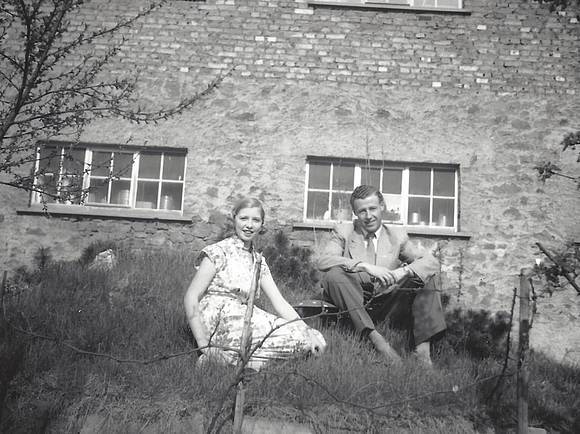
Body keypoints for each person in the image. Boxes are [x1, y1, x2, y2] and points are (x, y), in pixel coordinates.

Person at [184, 197, 326, 371]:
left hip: (246, 315)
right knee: (301, 341)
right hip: (219, 319)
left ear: (262, 224)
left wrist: (307, 330)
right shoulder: (217, 252)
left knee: (316, 337)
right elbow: (191, 296)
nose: (249, 225)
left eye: (255, 220)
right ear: (234, 218)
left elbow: (280, 303)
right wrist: (202, 344)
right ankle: (216, 356)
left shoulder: (258, 260)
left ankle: (238, 362)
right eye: (244, 218)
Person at [317, 185, 446, 365]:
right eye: (362, 211)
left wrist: (404, 271)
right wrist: (365, 266)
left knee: (426, 275)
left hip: (388, 304)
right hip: (354, 303)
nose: (368, 216)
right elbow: (323, 261)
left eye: (372, 208)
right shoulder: (343, 232)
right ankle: (378, 343)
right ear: (355, 213)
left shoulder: (396, 236)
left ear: (382, 207)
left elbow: (430, 262)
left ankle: (423, 352)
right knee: (333, 275)